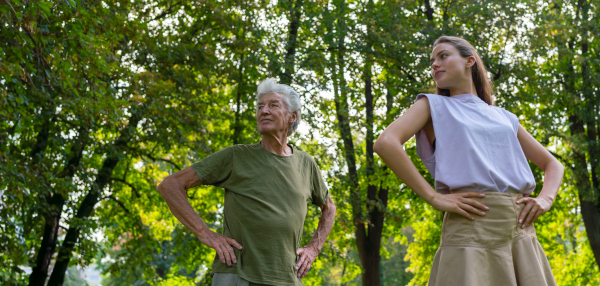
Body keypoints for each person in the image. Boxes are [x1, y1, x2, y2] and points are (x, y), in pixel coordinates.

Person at [374, 36, 563, 286]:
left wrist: (545, 199)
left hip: (521, 230)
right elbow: (386, 143)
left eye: (443, 56)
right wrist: (433, 197)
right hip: (470, 225)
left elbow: (553, 164)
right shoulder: (433, 106)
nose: (434, 64)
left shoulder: (505, 117)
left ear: (469, 61)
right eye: (431, 61)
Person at [157, 78, 336, 286]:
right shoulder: (236, 156)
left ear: (292, 117)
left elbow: (329, 207)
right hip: (237, 275)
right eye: (260, 107)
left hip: (288, 277)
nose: (264, 111)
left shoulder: (306, 163)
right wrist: (205, 234)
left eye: (273, 105)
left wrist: (314, 247)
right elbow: (169, 185)